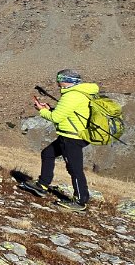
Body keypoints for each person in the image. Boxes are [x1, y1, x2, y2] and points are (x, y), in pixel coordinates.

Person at [20, 69, 96, 211]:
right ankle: (42, 185)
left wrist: (42, 110)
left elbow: (56, 118)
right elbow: (69, 113)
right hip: (74, 134)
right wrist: (50, 109)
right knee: (47, 154)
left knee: (74, 169)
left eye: (59, 79)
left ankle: (80, 201)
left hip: (71, 137)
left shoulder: (71, 96)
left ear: (67, 81)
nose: (57, 82)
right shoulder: (81, 93)